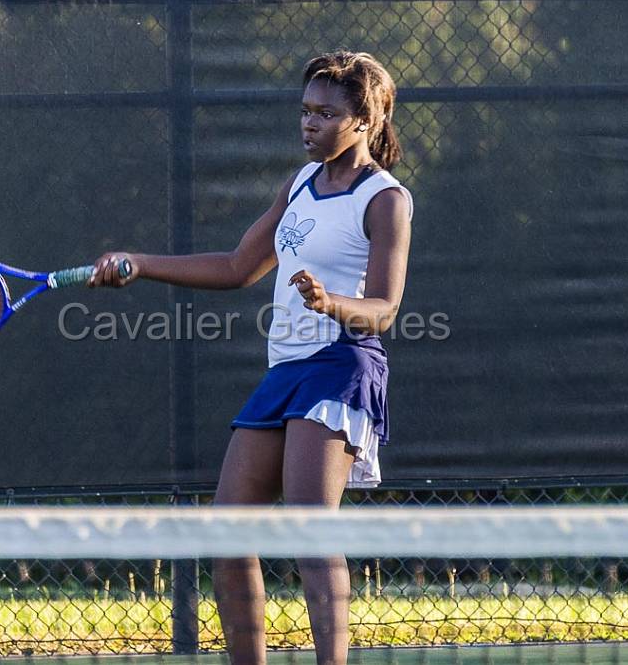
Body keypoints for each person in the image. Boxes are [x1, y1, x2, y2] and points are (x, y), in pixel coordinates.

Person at [88, 50, 413, 665]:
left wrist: (330, 301)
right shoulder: (298, 184)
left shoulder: (386, 200)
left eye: (324, 113)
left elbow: (384, 310)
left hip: (341, 366)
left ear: (364, 121)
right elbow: (239, 267)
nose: (308, 124)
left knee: (310, 530)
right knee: (228, 534)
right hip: (285, 372)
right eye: (305, 111)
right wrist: (142, 264)